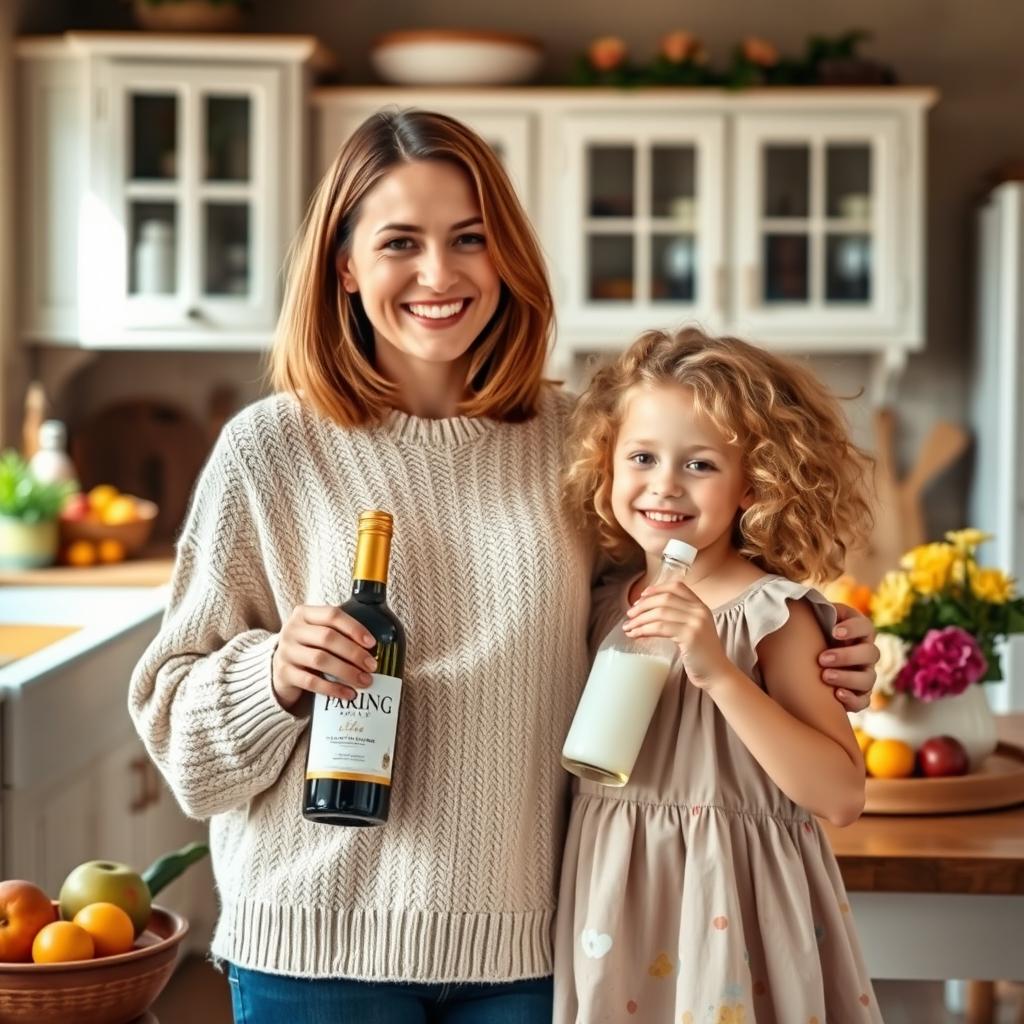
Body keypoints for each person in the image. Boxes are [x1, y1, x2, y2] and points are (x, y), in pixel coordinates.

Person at [127, 110, 878, 1023]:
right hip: (315, 942)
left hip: (534, 947)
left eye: (469, 239)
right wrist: (275, 677)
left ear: (506, 257)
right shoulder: (270, 450)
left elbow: (671, 589)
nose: (440, 274)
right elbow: (176, 729)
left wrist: (820, 638)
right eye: (400, 242)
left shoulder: (581, 443)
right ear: (346, 267)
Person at [555, 326, 882, 1023]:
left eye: (700, 465)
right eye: (642, 456)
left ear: (752, 484)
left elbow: (840, 795)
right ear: (607, 466)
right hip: (613, 909)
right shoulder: (604, 599)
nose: (664, 485)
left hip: (731, 912)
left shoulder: (772, 616)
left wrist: (718, 671)